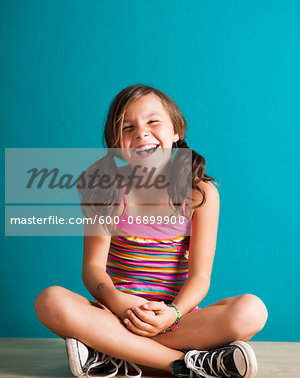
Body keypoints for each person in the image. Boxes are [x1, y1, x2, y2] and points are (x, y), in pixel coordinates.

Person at [34, 84, 268, 378]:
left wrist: (173, 313)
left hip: (175, 319)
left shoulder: (199, 193)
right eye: (127, 127)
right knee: (50, 300)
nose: (141, 133)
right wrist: (118, 303)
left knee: (252, 310)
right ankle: (186, 365)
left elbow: (200, 277)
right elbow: (93, 268)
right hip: (116, 315)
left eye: (153, 121)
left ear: (176, 131)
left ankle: (114, 354)